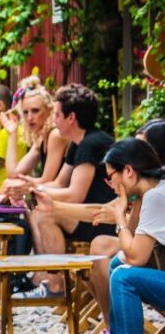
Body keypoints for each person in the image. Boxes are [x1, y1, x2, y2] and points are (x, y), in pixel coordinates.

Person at [31, 120, 165, 334]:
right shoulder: (146, 190)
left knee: (115, 263)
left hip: (152, 254)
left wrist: (123, 214)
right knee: (105, 253)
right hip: (153, 251)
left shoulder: (155, 193)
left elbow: (134, 250)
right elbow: (103, 212)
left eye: (139, 148)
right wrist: (54, 206)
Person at [82, 138, 164, 334]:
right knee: (117, 263)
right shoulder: (149, 194)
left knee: (123, 277)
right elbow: (128, 249)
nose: (111, 184)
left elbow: (137, 257)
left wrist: (119, 215)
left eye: (111, 177)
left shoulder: (157, 197)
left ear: (128, 170)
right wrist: (129, 203)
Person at [18, 84, 117, 298]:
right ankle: (46, 278)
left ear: (71, 117)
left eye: (57, 114)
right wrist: (31, 187)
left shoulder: (91, 144)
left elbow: (74, 195)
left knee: (46, 216)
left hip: (104, 219)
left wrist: (33, 190)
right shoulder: (78, 143)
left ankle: (56, 286)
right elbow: (60, 183)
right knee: (39, 212)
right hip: (90, 214)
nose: (55, 120)